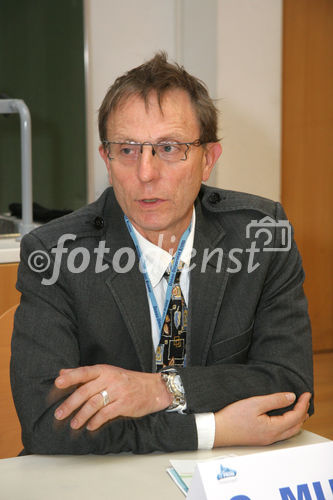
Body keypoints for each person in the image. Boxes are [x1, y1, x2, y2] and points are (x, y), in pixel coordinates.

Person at [10, 53, 313, 455]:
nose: (146, 173)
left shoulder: (261, 234)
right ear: (106, 158)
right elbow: (47, 426)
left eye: (169, 148)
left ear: (208, 159)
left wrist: (161, 390)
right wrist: (212, 430)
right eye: (127, 149)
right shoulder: (54, 255)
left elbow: (289, 385)